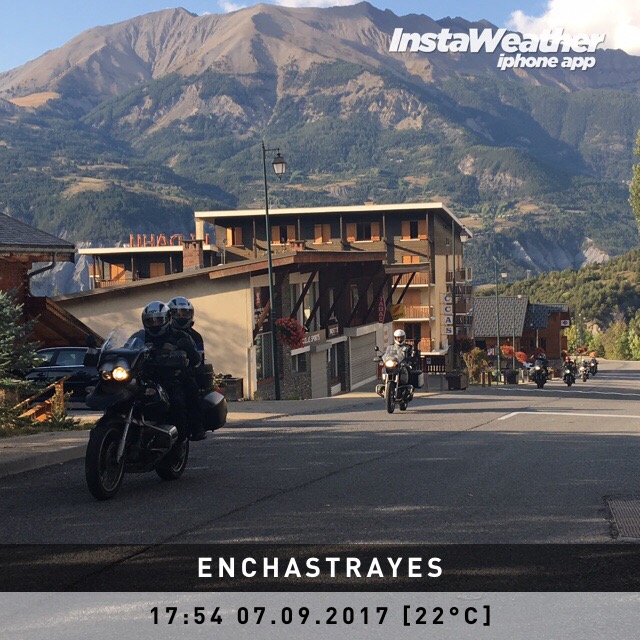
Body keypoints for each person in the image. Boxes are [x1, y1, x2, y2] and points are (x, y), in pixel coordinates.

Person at [133, 301, 205, 441]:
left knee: (181, 398)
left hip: (172, 377)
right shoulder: (139, 336)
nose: (155, 324)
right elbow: (126, 349)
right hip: (145, 377)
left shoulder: (181, 336)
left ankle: (187, 433)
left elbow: (196, 359)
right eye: (150, 321)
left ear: (167, 319)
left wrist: (186, 354)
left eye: (158, 320)